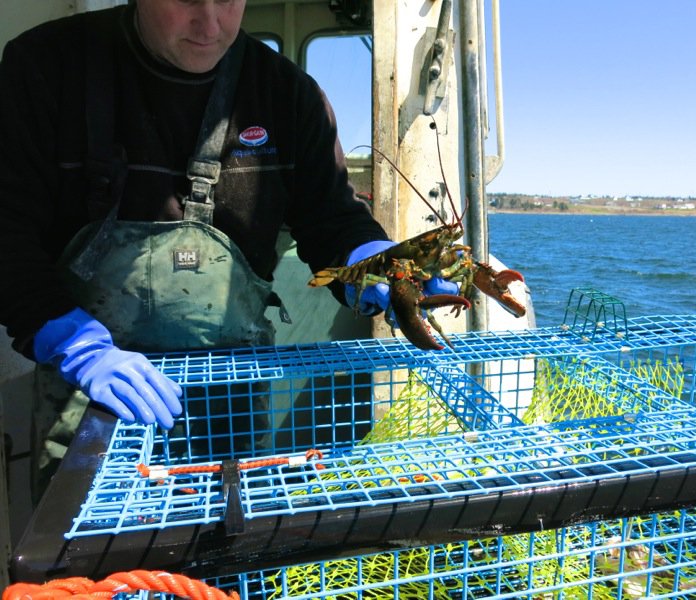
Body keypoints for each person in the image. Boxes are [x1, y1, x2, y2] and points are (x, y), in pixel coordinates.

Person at [0, 0, 455, 501]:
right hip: (91, 409)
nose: (210, 23)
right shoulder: (44, 68)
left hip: (231, 411)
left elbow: (332, 221)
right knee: (90, 573)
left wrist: (375, 260)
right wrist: (74, 343)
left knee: (224, 568)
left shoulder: (286, 94)